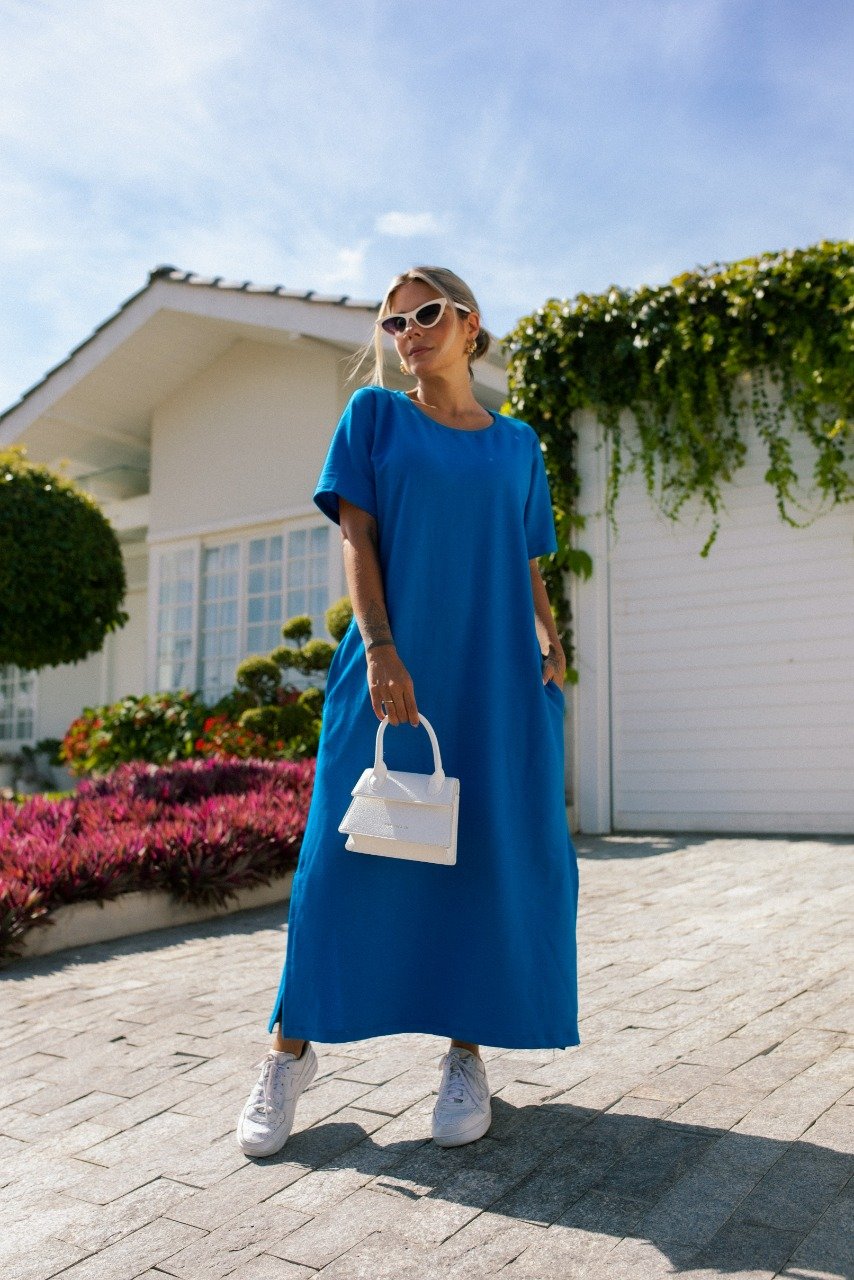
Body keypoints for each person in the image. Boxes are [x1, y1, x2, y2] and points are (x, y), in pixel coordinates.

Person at [236, 265, 580, 1158]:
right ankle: (287, 1052)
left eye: (425, 314)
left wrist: (549, 635)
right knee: (338, 864)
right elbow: (358, 536)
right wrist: (382, 648)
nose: (409, 332)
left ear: (469, 323)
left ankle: (466, 1056)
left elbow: (527, 556)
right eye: (394, 323)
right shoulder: (375, 418)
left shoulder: (519, 445)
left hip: (494, 674)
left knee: (482, 861)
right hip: (394, 666)